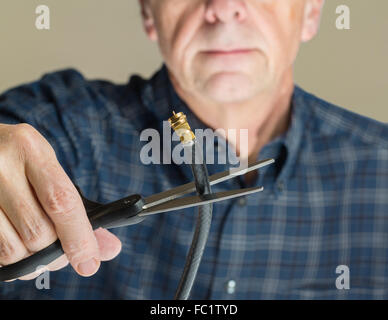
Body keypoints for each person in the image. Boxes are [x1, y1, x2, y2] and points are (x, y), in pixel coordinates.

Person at [0, 0, 387, 299]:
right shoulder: (63, 124)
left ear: (311, 13)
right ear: (148, 12)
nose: (222, 8)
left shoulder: (379, 170)